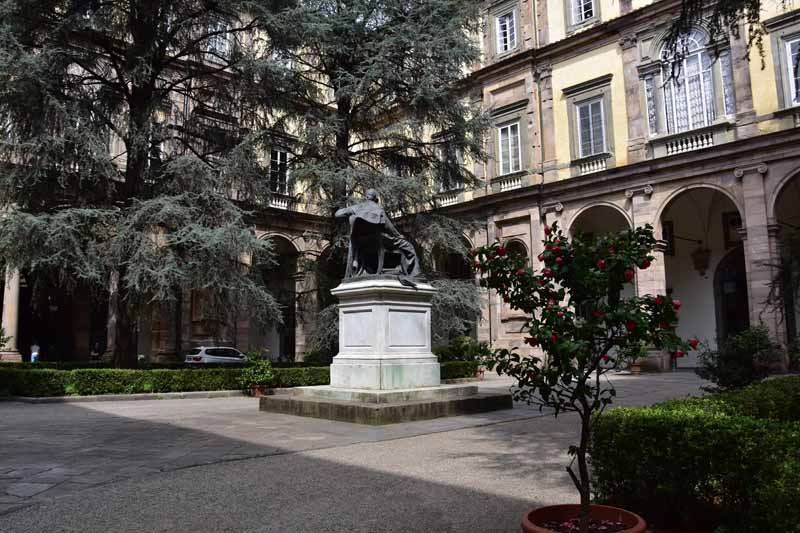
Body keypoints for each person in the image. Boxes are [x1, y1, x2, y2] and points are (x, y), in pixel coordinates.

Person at [335, 189, 420, 279]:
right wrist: (399, 235)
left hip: (359, 242)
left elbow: (337, 214)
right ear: (376, 199)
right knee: (408, 246)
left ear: (366, 197)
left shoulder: (356, 207)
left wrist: (351, 215)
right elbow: (389, 227)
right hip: (376, 240)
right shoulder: (378, 209)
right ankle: (414, 275)